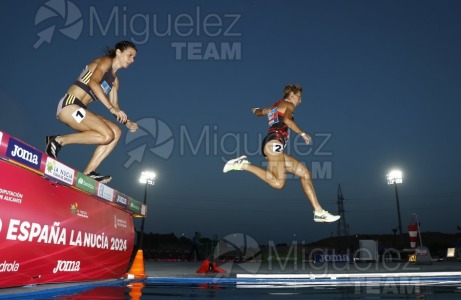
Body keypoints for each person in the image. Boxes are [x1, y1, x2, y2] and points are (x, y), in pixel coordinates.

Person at [223, 84, 340, 223]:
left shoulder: (274, 107)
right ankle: (243, 165)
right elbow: (287, 120)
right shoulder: (289, 105)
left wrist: (254, 110)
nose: (300, 101)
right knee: (278, 183)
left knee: (305, 173)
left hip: (272, 145)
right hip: (274, 143)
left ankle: (319, 212)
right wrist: (302, 133)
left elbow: (259, 112)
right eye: (299, 97)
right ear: (291, 94)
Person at [45, 41, 139, 183]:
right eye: (129, 55)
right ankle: (58, 141)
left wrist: (128, 123)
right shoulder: (105, 61)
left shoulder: (115, 81)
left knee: (116, 132)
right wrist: (111, 108)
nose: (132, 60)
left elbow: (115, 106)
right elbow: (93, 83)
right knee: (107, 135)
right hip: (69, 105)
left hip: (81, 111)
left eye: (134, 58)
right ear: (118, 52)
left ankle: (89, 172)